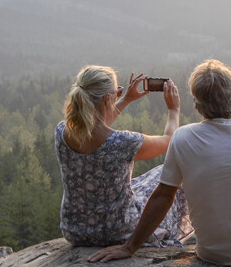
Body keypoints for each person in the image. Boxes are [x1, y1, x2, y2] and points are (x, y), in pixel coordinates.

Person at [88, 59, 231, 267]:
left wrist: (130, 247)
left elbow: (163, 196)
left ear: (196, 106)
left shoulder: (183, 138)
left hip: (212, 254)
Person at [55, 65, 193, 247]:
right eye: (117, 93)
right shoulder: (123, 142)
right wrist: (174, 110)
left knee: (138, 185)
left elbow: (92, 125)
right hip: (117, 231)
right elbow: (169, 141)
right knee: (169, 175)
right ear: (107, 99)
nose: (119, 95)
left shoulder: (62, 132)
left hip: (74, 230)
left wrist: (125, 99)